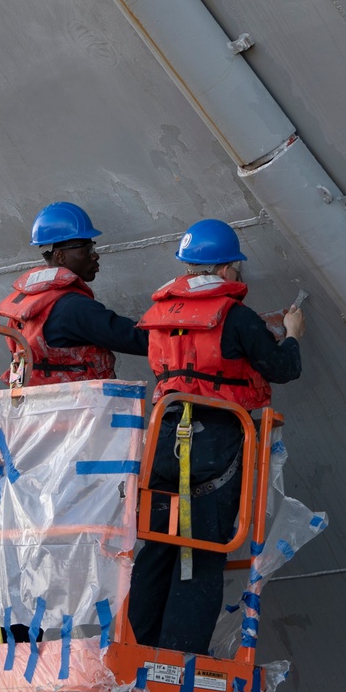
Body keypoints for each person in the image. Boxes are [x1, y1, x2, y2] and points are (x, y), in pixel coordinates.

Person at [127, 218, 304, 656]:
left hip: (164, 441)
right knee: (202, 551)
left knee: (159, 547)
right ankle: (178, 656)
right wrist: (293, 335)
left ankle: (136, 649)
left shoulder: (161, 316)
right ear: (226, 270)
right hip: (214, 446)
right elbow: (283, 369)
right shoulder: (237, 317)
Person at [0, 202, 148, 384]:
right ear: (60, 256)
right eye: (87, 249)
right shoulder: (72, 307)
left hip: (37, 407)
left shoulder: (28, 305)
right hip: (82, 408)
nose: (95, 255)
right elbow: (134, 338)